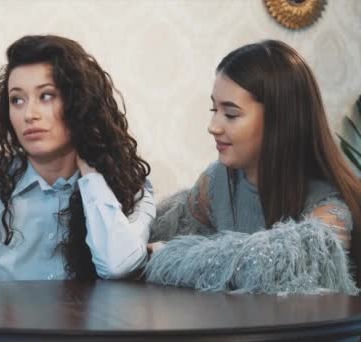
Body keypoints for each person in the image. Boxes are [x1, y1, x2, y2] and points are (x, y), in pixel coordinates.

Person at [145, 40, 361, 295]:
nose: (213, 126)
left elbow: (286, 269)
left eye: (231, 114)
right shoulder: (216, 182)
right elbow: (151, 240)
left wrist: (173, 257)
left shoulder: (329, 206)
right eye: (215, 109)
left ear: (280, 121)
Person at [0, 35, 155, 282]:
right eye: (17, 100)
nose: (29, 114)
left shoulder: (129, 187)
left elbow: (118, 266)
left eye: (46, 96)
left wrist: (93, 177)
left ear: (80, 103)